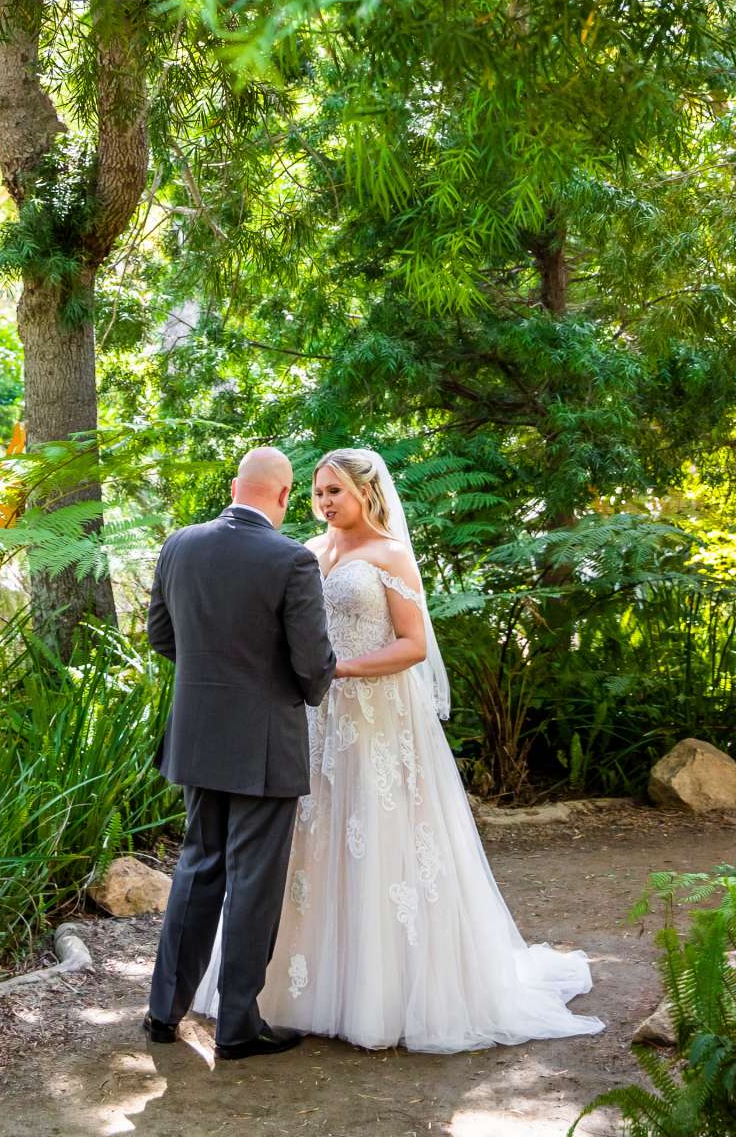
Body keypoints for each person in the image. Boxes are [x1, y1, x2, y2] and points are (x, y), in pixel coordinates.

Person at [193, 447, 606, 1052]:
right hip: (311, 721)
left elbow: (413, 644)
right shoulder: (304, 553)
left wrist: (346, 670)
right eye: (317, 492)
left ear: (366, 492)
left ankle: (378, 991)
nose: (325, 502)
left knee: (375, 838)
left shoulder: (390, 555)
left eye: (335, 491)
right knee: (307, 845)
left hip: (376, 719)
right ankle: (287, 990)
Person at [144, 444, 337, 1059]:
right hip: (263, 745)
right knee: (253, 881)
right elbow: (312, 666)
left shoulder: (179, 544)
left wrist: (214, 678)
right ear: (284, 496)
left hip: (198, 736)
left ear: (235, 486)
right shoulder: (291, 560)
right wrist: (299, 686)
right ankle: (236, 1025)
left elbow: (160, 636)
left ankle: (162, 1013)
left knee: (198, 866)